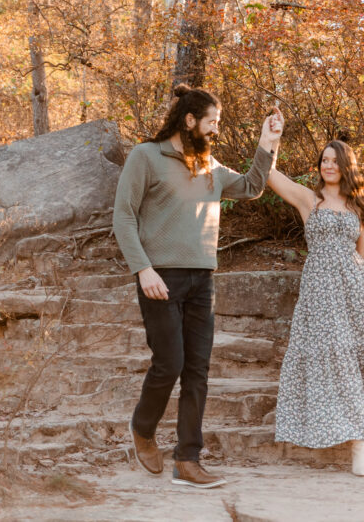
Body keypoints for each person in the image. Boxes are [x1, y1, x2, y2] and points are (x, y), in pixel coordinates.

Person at [112, 84, 282, 488]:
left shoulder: (210, 167)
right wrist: (143, 270)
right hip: (160, 279)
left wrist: (267, 142)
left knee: (197, 371)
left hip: (202, 280)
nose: (215, 130)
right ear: (189, 121)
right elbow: (123, 216)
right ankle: (142, 426)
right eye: (212, 123)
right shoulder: (146, 157)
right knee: (169, 363)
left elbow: (253, 186)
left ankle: (187, 459)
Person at [266, 134, 364, 476]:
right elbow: (268, 173)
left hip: (355, 287)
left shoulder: (356, 205)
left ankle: (358, 435)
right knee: (335, 356)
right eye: (324, 160)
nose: (329, 165)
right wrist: (272, 138)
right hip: (321, 289)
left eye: (335, 160)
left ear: (345, 166)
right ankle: (357, 442)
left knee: (359, 356)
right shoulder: (310, 199)